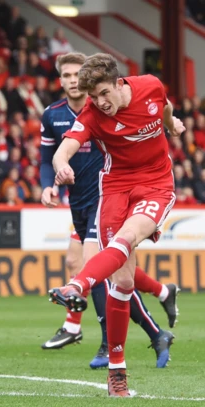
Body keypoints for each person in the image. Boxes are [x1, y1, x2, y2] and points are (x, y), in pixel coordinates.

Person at [48, 53, 185, 397]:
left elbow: (164, 106)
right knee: (121, 282)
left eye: (105, 94)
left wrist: (171, 123)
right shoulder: (92, 114)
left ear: (119, 82)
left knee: (125, 238)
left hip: (155, 184)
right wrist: (61, 165)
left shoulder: (150, 86)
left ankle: (76, 286)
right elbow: (63, 149)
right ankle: (116, 372)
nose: (101, 103)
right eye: (94, 97)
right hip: (116, 187)